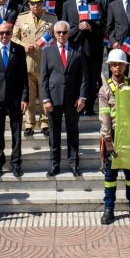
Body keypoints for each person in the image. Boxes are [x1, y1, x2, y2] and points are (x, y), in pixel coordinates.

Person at [98, 49, 130, 224]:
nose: (117, 67)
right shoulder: (105, 90)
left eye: (120, 64)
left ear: (125, 66)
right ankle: (108, 209)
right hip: (113, 140)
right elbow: (104, 117)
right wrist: (108, 140)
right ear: (110, 67)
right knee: (110, 177)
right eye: (113, 64)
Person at [40, 20, 87, 177]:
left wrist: (82, 97)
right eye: (58, 32)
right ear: (54, 34)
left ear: (69, 33)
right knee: (54, 134)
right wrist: (46, 99)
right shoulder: (47, 51)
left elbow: (83, 77)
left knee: (73, 132)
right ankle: (55, 164)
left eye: (64, 32)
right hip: (53, 99)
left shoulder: (77, 50)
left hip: (73, 100)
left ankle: (74, 164)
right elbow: (44, 78)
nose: (61, 35)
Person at [0, 21, 29, 178]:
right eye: (1, 33)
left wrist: (25, 97)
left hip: (15, 98)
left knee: (16, 133)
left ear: (11, 34)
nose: (4, 36)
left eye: (7, 33)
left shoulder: (19, 50)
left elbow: (23, 76)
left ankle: (16, 163)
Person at [13, 0, 56, 136]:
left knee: (45, 94)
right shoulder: (22, 17)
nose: (35, 6)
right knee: (29, 95)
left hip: (45, 62)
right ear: (29, 5)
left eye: (38, 3)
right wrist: (23, 45)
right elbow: (13, 37)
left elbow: (57, 39)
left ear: (43, 4)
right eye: (33, 4)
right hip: (28, 62)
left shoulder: (52, 17)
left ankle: (45, 123)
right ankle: (29, 124)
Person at [61, 0, 104, 115]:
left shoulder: (95, 3)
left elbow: (102, 26)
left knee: (91, 78)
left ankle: (89, 107)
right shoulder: (67, 4)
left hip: (91, 48)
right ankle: (75, 106)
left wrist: (89, 26)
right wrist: (77, 30)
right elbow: (64, 26)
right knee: (74, 77)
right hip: (73, 46)